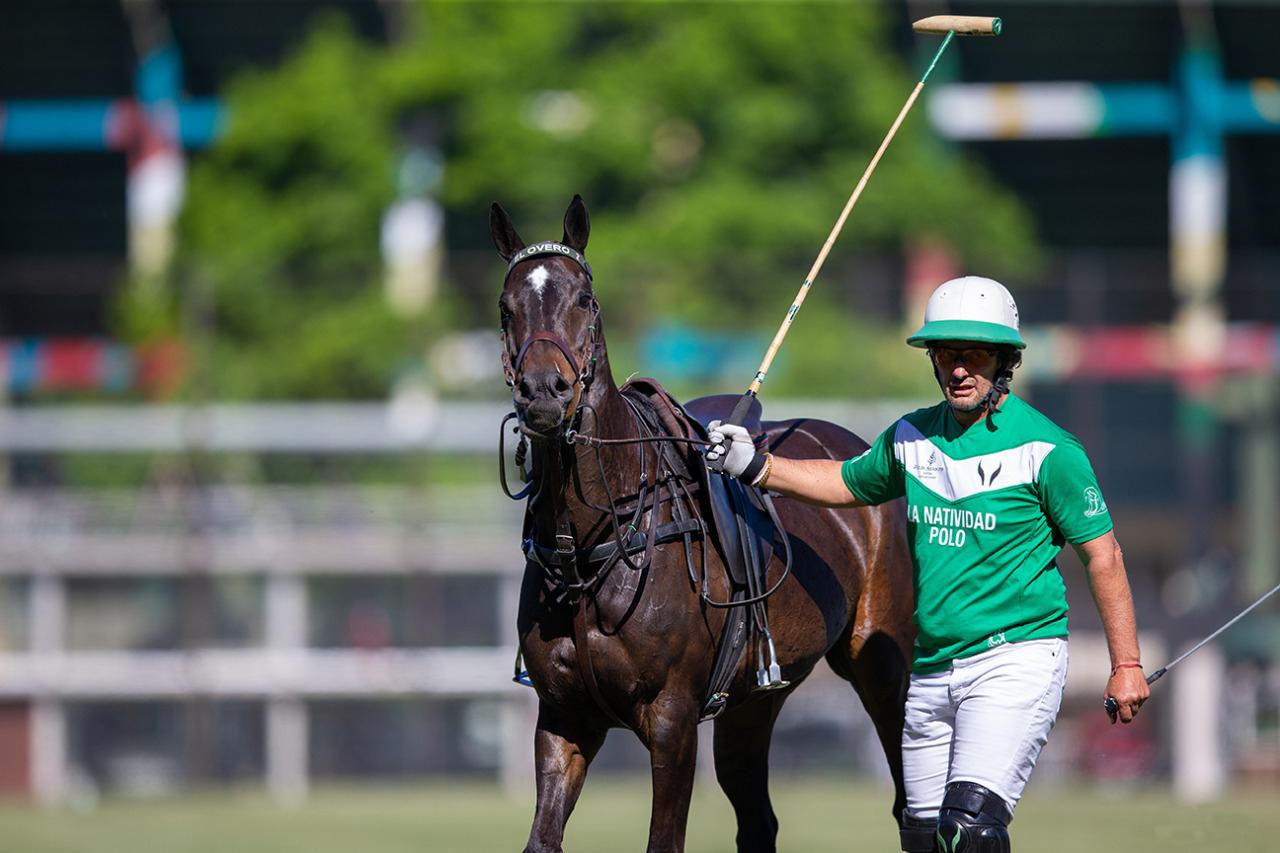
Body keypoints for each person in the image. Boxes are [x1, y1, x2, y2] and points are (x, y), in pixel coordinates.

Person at [706, 276, 1149, 853]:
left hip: (1015, 661)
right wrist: (756, 466)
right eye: (946, 355)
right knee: (920, 838)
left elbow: (1104, 555)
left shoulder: (1050, 451)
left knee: (967, 833)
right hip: (934, 665)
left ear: (1005, 361)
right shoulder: (911, 436)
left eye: (974, 355)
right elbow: (844, 482)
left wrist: (1127, 662)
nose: (958, 369)